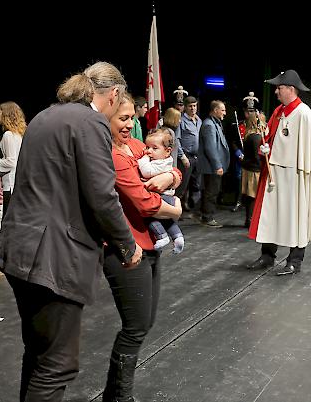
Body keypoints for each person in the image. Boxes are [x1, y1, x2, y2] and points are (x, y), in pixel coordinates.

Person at [0, 62, 141, 402]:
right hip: (53, 257)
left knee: (39, 355)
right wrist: (128, 246)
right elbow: (102, 197)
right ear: (114, 95)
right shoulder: (90, 123)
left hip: (21, 250)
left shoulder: (45, 116)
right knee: (56, 364)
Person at [103, 94, 181, 401]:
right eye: (122, 118)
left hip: (149, 245)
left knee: (144, 323)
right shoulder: (112, 156)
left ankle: (114, 394)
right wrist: (174, 211)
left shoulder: (137, 148)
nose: (129, 124)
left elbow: (172, 166)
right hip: (124, 248)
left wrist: (170, 174)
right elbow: (145, 203)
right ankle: (121, 397)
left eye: (132, 117)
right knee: (135, 326)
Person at [246, 70, 311, 274]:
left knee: (295, 216)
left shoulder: (303, 113)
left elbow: (310, 151)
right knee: (270, 215)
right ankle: (267, 255)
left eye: (279, 88)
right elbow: (271, 135)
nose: (276, 91)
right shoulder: (279, 111)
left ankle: (295, 260)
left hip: (294, 176)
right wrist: (266, 147)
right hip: (275, 173)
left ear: (290, 89)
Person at [138, 129, 185, 253]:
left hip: (162, 196)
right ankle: (178, 236)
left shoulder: (158, 163)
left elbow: (146, 171)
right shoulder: (164, 160)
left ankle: (162, 236)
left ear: (167, 151)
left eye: (154, 148)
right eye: (147, 147)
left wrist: (143, 158)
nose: (149, 151)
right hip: (167, 196)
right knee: (167, 219)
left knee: (150, 217)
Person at [0, 101, 26, 217]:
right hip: (14, 184)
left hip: (11, 185)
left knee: (9, 221)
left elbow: (11, 162)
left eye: (0, 112)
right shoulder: (17, 135)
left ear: (7, 115)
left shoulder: (9, 135)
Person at [198, 100, 230, 228]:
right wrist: (217, 165)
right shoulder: (209, 125)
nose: (224, 113)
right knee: (211, 192)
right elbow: (210, 148)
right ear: (215, 110)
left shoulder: (214, 123)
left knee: (212, 191)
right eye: (222, 110)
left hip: (214, 166)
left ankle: (205, 215)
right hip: (211, 167)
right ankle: (207, 217)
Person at [175, 96, 202, 214]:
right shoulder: (181, 121)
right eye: (190, 106)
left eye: (194, 106)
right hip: (186, 156)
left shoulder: (199, 120)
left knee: (195, 184)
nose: (193, 108)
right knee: (182, 185)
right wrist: (182, 156)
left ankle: (188, 205)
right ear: (185, 107)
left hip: (197, 156)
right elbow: (177, 140)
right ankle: (176, 209)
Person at [240, 112, 266, 229]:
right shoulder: (256, 137)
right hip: (254, 170)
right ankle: (250, 220)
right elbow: (257, 156)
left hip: (249, 168)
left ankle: (249, 219)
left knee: (250, 195)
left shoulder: (250, 135)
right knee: (252, 196)